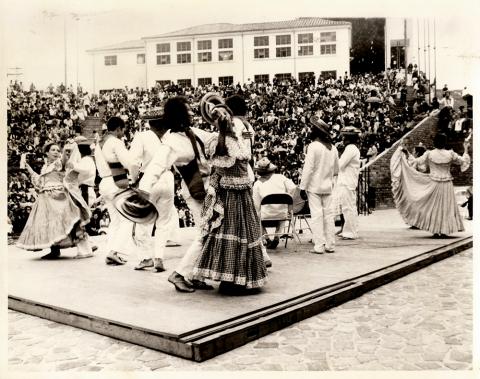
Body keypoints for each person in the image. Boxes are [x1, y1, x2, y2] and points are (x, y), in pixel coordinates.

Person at [145, 97, 217, 292]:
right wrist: (144, 191)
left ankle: (195, 275)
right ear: (180, 115)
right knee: (205, 233)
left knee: (210, 233)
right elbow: (156, 167)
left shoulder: (191, 133)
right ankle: (180, 274)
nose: (192, 113)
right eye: (187, 110)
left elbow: (214, 138)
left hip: (207, 188)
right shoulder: (172, 141)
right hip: (195, 192)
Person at [192, 112, 267, 294]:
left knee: (229, 231)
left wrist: (214, 192)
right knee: (243, 232)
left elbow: (218, 171)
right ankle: (239, 279)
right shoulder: (234, 140)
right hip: (238, 195)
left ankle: (230, 278)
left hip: (229, 194)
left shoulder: (219, 141)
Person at [16, 141, 92, 259]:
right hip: (46, 198)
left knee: (68, 220)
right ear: (46, 153)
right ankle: (54, 250)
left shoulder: (58, 163)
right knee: (50, 224)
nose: (56, 152)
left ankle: (85, 248)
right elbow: (40, 180)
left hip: (59, 196)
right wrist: (27, 166)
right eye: (53, 150)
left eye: (58, 150)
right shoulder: (45, 166)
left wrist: (67, 148)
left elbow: (65, 161)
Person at [391, 133, 470, 237]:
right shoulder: (450, 154)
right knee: (446, 207)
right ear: (445, 142)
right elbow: (463, 162)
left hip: (434, 184)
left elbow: (415, 162)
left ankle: (436, 230)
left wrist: (406, 153)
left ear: (435, 142)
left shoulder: (430, 154)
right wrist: (466, 149)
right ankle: (444, 230)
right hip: (447, 184)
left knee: (435, 208)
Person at [131, 108, 179, 272]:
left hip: (148, 179)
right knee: (164, 222)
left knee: (142, 220)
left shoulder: (142, 137)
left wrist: (134, 180)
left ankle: (145, 257)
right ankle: (159, 256)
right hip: (168, 178)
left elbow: (133, 162)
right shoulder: (171, 138)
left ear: (150, 123)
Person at [95, 116, 137, 265]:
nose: (123, 132)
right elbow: (129, 163)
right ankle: (114, 251)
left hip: (104, 182)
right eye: (123, 129)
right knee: (128, 220)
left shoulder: (99, 143)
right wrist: (135, 178)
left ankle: (111, 252)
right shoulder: (116, 142)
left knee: (116, 221)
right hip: (116, 182)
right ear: (118, 128)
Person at [299, 116, 339, 254]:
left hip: (314, 186)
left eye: (312, 128)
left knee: (316, 216)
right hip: (328, 186)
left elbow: (308, 169)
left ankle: (319, 246)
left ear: (316, 132)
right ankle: (330, 245)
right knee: (329, 215)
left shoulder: (313, 146)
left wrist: (302, 187)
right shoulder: (333, 148)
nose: (310, 130)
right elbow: (336, 170)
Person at [252, 157, 297, 249]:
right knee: (282, 210)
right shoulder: (281, 177)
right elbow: (293, 188)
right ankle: (277, 236)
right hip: (281, 214)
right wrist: (288, 198)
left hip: (265, 215)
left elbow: (256, 206)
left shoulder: (257, 184)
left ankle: (266, 238)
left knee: (255, 215)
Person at [336, 127, 361, 240]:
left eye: (344, 137)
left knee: (348, 208)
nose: (343, 140)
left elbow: (340, 165)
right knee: (348, 207)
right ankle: (350, 230)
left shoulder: (350, 148)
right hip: (348, 181)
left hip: (347, 182)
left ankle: (350, 232)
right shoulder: (352, 149)